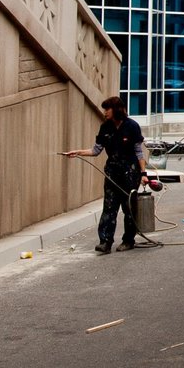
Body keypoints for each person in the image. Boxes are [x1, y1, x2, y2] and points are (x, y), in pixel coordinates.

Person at [61, 95, 152, 254]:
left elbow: (139, 152)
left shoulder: (132, 126)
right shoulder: (105, 127)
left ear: (116, 110)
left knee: (129, 207)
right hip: (112, 172)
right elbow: (96, 150)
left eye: (107, 109)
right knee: (109, 207)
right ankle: (105, 241)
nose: (104, 112)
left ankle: (128, 240)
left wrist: (143, 174)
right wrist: (78, 152)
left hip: (130, 172)